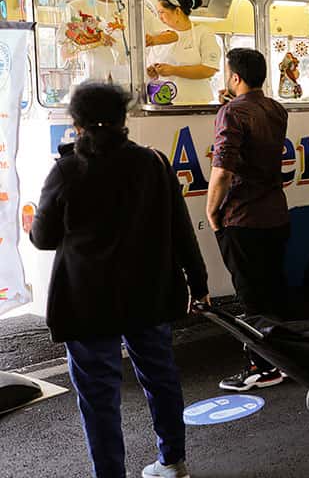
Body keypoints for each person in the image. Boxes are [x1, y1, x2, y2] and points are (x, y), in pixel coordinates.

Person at [30, 82, 208, 478]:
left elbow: (42, 238)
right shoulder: (153, 163)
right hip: (147, 294)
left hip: (87, 302)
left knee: (99, 397)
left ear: (75, 123)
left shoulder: (67, 169)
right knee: (161, 379)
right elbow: (181, 229)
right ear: (124, 119)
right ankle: (173, 461)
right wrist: (199, 283)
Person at [206, 48, 291, 391]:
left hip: (243, 217)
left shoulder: (232, 113)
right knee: (273, 291)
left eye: (229, 74)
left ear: (236, 78)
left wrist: (212, 211)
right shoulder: (275, 108)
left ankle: (262, 367)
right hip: (275, 212)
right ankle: (281, 359)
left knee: (251, 297)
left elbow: (223, 169)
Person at [146, 0, 221, 104]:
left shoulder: (203, 32)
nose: (160, 18)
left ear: (177, 11)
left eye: (162, 12)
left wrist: (173, 70)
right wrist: (152, 73)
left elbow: (209, 70)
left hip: (195, 103)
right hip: (164, 103)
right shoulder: (160, 37)